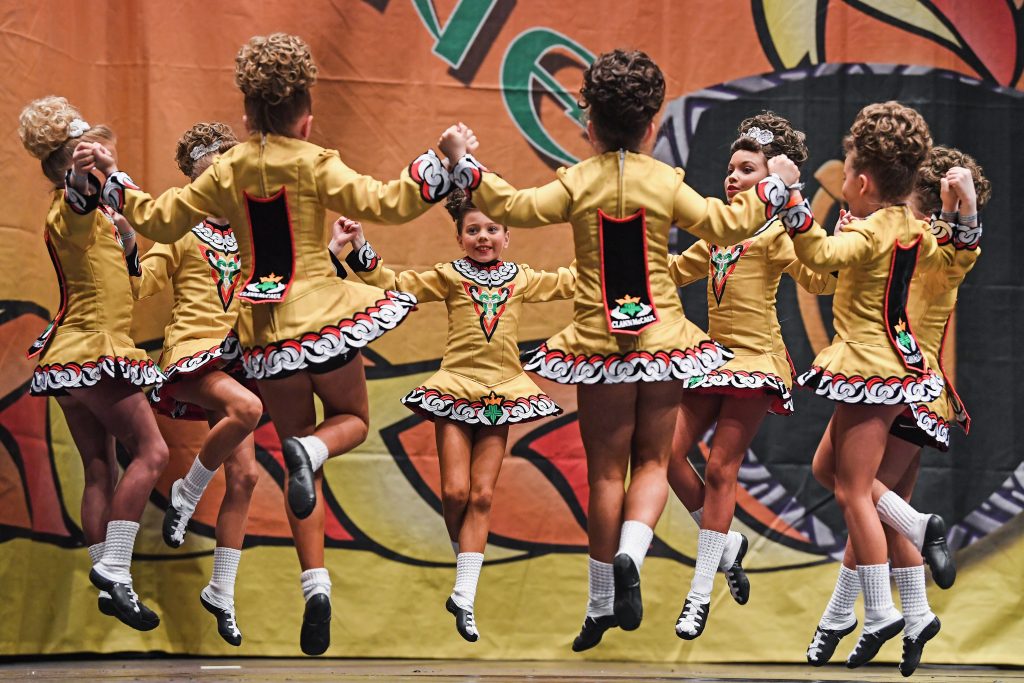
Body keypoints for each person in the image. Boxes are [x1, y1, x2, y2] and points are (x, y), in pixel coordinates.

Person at [80, 33, 453, 655]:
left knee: (277, 458)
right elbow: (391, 201)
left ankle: (314, 580)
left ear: (246, 115)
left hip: (265, 338)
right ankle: (308, 493)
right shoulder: (314, 160)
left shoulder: (225, 171)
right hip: (322, 318)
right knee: (352, 422)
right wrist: (442, 159)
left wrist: (112, 176)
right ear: (305, 115)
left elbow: (156, 217)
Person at [436, 48, 807, 649]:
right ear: (652, 126)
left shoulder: (575, 182)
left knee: (606, 474)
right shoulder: (666, 182)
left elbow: (511, 209)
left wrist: (464, 163)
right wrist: (774, 191)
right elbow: (725, 224)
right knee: (655, 463)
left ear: (589, 126)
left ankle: (602, 600)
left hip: (598, 345)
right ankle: (634, 550)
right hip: (660, 342)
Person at [329, 189, 575, 642]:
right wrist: (359, 245)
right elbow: (394, 284)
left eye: (491, 229)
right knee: (455, 490)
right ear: (460, 237)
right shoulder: (447, 276)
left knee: (482, 496)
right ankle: (462, 554)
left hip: (502, 394)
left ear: (507, 235)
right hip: (456, 389)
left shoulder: (521, 278)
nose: (483, 237)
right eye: (473, 230)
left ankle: (464, 592)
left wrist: (618, 254)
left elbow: (570, 281)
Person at [784, 101, 958, 668]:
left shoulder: (876, 229)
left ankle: (881, 608)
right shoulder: (910, 227)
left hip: (870, 365)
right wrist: (967, 217)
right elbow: (950, 257)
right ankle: (910, 560)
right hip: (899, 367)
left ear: (859, 181)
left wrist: (789, 200)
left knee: (853, 490)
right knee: (836, 475)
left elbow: (823, 253)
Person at [806, 149, 986, 676]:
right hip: (915, 385)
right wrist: (963, 214)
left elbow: (869, 263)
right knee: (860, 498)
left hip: (898, 381)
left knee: (854, 491)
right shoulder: (924, 243)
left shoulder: (913, 244)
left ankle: (870, 603)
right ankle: (912, 612)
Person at [665, 112, 836, 640]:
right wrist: (628, 259)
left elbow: (819, 278)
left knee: (720, 469)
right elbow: (672, 271)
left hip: (757, 361)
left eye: (746, 169)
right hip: (714, 358)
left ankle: (699, 593)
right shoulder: (721, 231)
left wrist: (822, 231)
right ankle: (728, 545)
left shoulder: (779, 232)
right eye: (730, 169)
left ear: (769, 180)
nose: (733, 178)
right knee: (663, 455)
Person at [19, 96, 167, 631]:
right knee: (152, 452)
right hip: (93, 351)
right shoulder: (71, 207)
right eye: (91, 158)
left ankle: (110, 580)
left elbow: (131, 284)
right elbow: (80, 197)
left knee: (100, 467)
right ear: (73, 165)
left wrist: (133, 245)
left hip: (73, 356)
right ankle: (114, 568)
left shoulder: (102, 217)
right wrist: (87, 175)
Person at [127, 122, 263, 646]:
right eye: (207, 178)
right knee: (247, 410)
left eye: (226, 175)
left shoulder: (252, 235)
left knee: (247, 478)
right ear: (190, 185)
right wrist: (122, 243)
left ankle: (220, 592)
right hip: (192, 358)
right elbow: (146, 281)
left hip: (235, 359)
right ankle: (188, 491)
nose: (219, 185)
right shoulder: (179, 230)